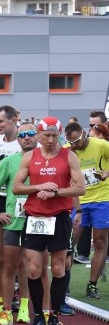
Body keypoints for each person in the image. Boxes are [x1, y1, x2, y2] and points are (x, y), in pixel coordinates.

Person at [14, 117, 85, 325]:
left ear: (60, 135)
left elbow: (80, 188)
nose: (51, 140)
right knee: (34, 269)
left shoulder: (68, 156)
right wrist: (39, 187)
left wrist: (56, 192)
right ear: (39, 135)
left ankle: (54, 316)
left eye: (55, 136)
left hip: (59, 217)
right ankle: (38, 317)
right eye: (46, 136)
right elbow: (16, 187)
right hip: (35, 217)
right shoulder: (30, 156)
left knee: (58, 267)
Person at [0, 123, 38, 325]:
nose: (27, 138)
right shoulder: (10, 161)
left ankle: (25, 308)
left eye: (31, 134)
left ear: (37, 137)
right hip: (14, 221)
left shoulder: (44, 161)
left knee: (28, 265)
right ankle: (7, 310)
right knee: (10, 265)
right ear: (18, 139)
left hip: (38, 220)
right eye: (23, 135)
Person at [65, 121, 109, 299]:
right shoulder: (66, 149)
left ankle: (92, 285)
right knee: (68, 244)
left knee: (99, 242)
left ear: (84, 135)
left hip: (102, 199)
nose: (74, 145)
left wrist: (107, 172)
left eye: (77, 141)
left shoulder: (101, 144)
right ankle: (63, 283)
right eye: (71, 142)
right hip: (79, 201)